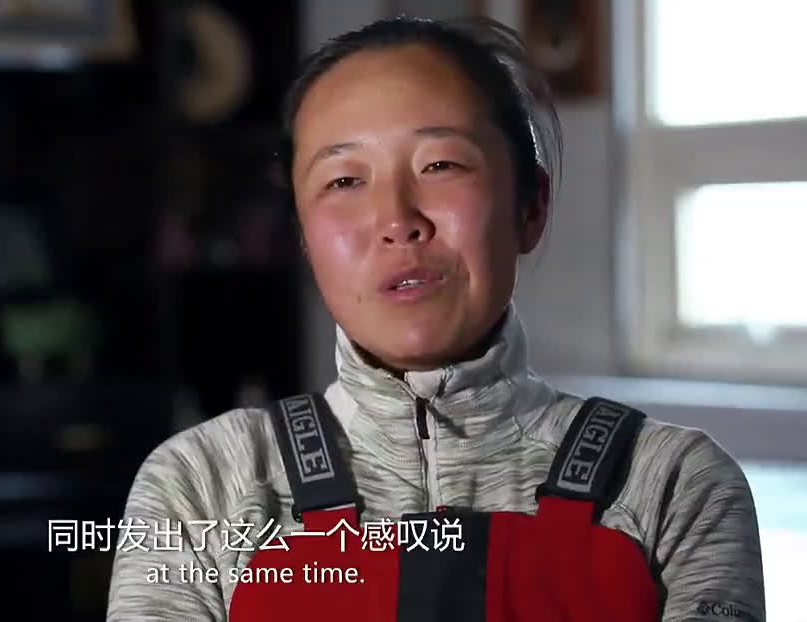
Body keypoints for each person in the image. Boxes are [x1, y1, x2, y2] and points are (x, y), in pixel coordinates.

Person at [106, 16, 764, 621]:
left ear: (531, 207)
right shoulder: (206, 483)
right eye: (343, 181)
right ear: (303, 235)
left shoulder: (670, 484)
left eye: (441, 165)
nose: (397, 220)